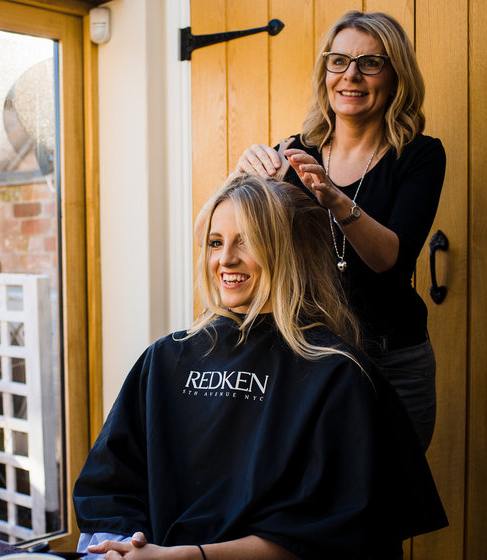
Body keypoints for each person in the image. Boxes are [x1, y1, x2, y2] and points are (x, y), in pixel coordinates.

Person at [74, 175, 446, 560]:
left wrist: (186, 557)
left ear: (289, 251)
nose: (225, 259)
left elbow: (333, 532)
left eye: (246, 241)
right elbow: (110, 484)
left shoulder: (338, 375)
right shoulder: (165, 358)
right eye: (216, 242)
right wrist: (125, 547)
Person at [233, 11, 445, 451]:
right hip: (309, 356)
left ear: (394, 76)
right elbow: (209, 237)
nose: (351, 75)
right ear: (325, 72)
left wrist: (334, 198)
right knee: (314, 503)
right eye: (338, 61)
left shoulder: (419, 156)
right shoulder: (293, 153)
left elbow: (393, 259)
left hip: (394, 361)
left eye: (370, 62)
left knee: (387, 503)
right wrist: (236, 180)